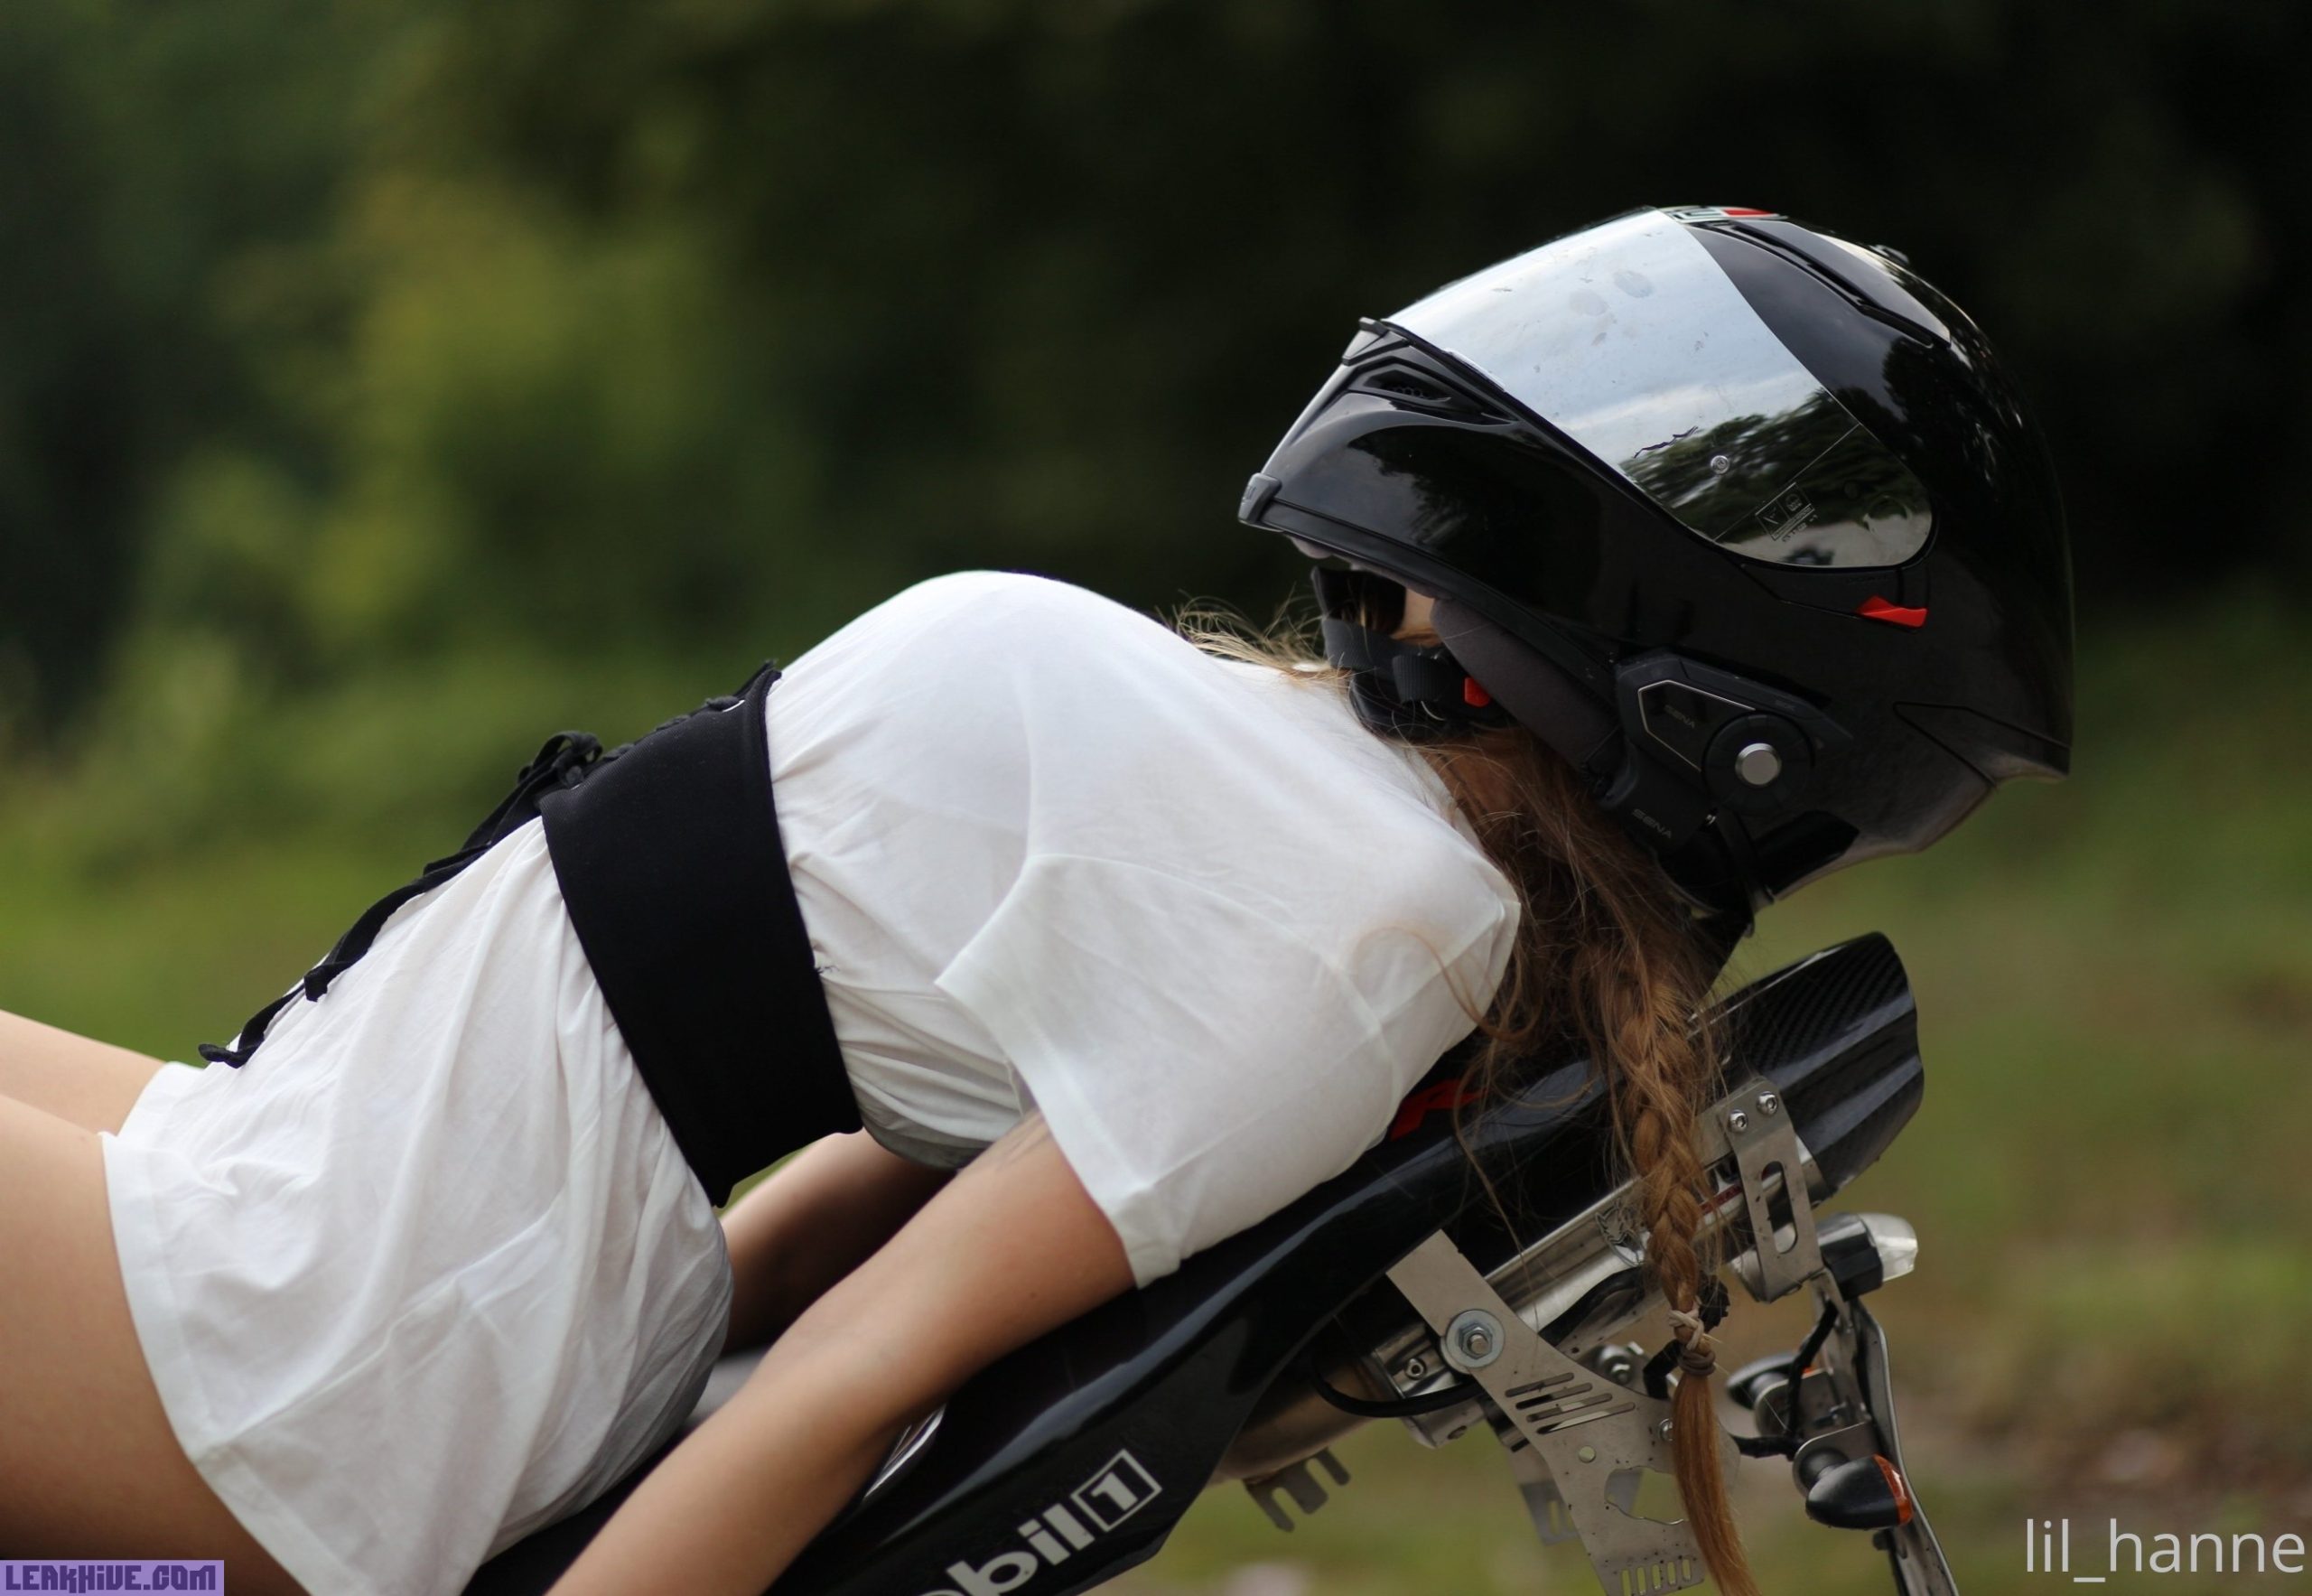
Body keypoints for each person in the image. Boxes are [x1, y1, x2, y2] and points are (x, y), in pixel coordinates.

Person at [0, 205, 2071, 1596]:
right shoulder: (1351, 838)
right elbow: (855, 1208)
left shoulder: (1358, 937)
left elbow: (858, 1373)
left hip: (326, 1344)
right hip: (345, 1213)